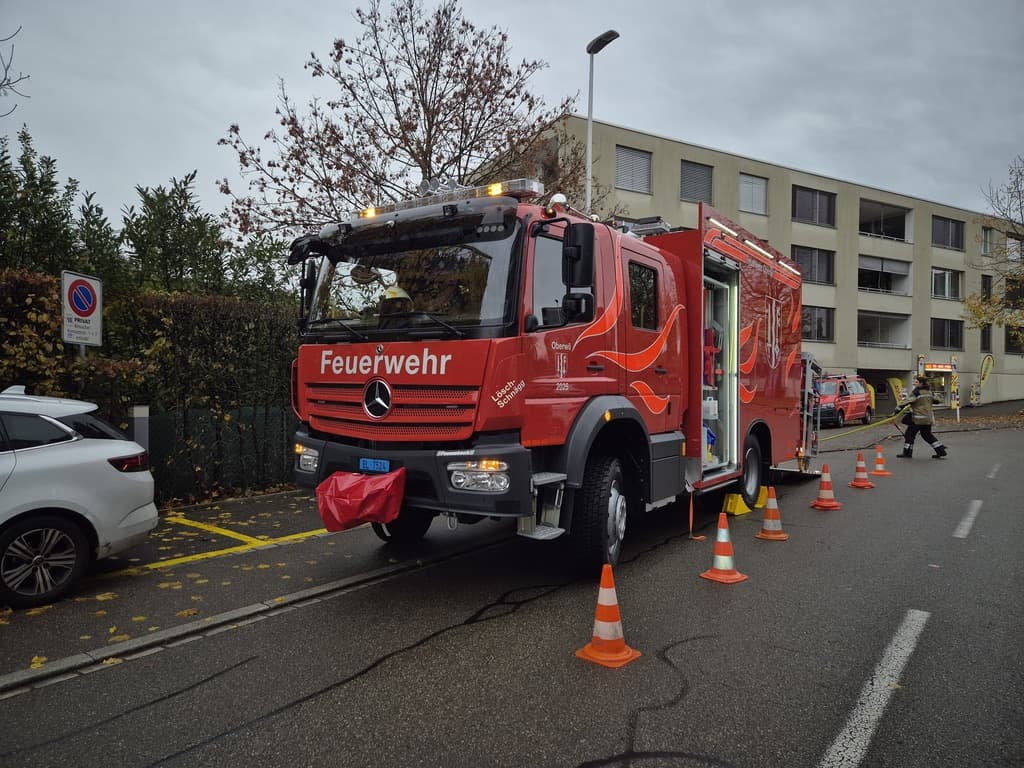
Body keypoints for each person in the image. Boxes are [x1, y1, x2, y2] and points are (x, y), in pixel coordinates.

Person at [896, 375, 948, 459]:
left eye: (916, 382)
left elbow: (907, 401)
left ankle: (907, 453)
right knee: (927, 435)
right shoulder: (929, 392)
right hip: (927, 418)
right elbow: (936, 401)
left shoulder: (916, 392)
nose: (914, 383)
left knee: (909, 435)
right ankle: (941, 450)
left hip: (917, 419)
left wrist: (898, 408)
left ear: (921, 383)